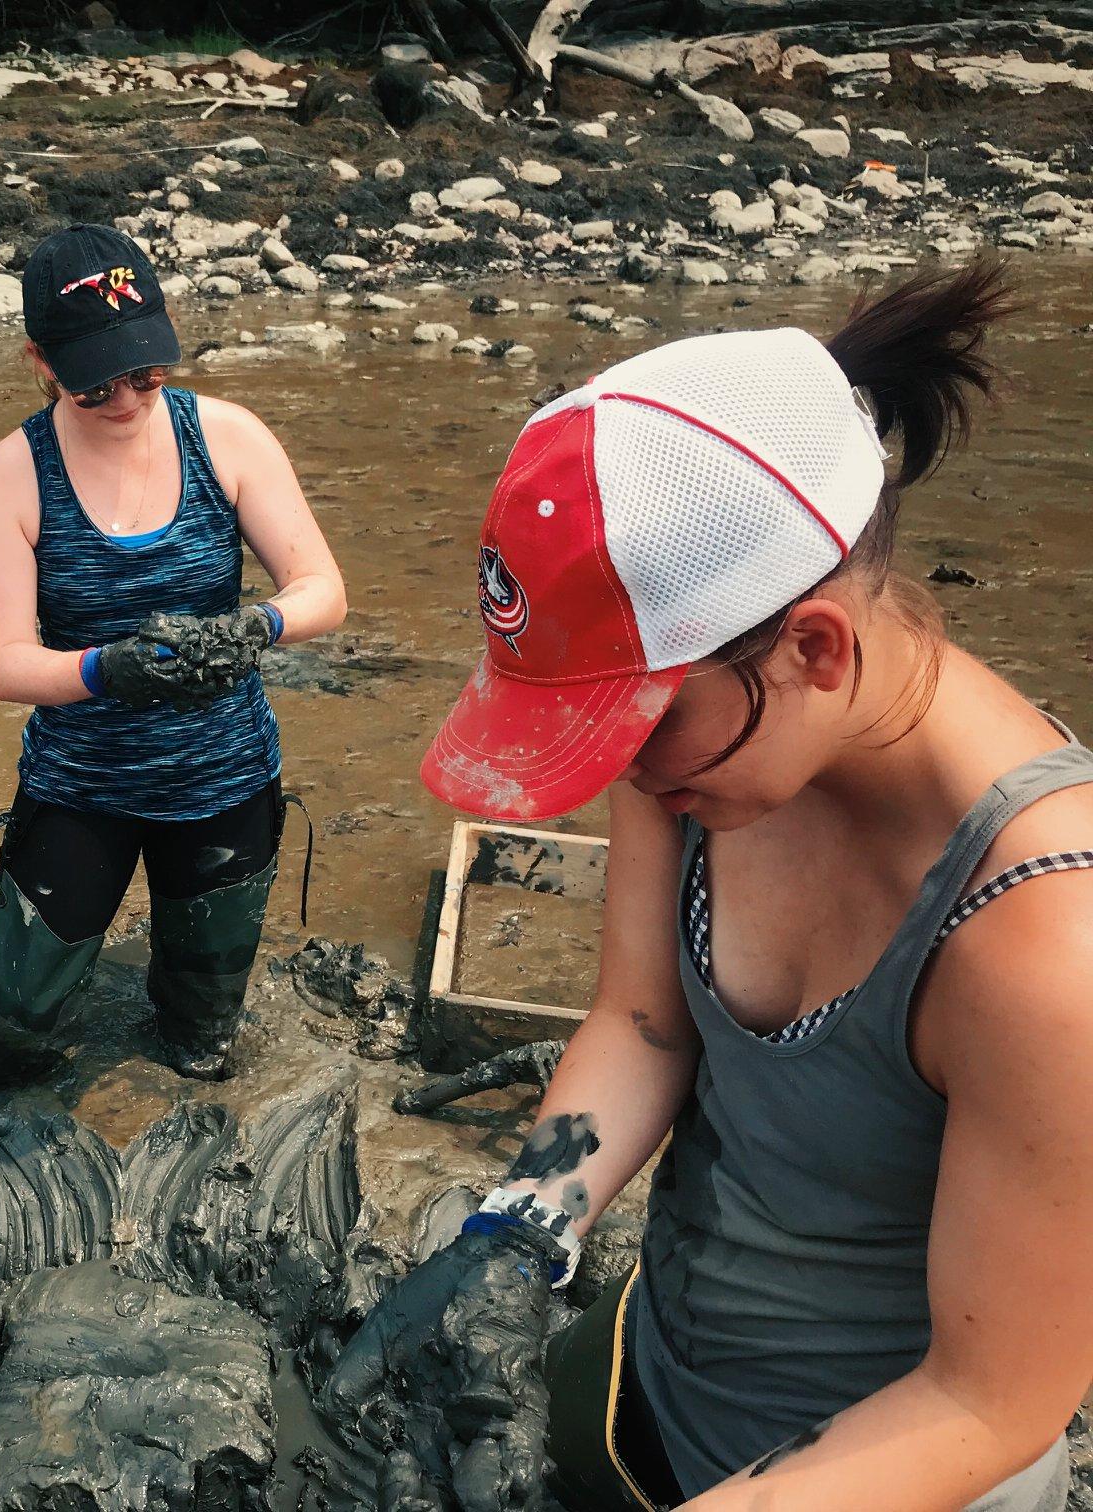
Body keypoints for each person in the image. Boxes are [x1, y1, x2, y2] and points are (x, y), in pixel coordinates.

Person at [329, 264, 1089, 1511]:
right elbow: (642, 1022)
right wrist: (517, 1232)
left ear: (814, 647)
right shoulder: (709, 745)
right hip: (664, 1383)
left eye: (632, 730)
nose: (610, 775)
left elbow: (989, 1402)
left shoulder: (1045, 944)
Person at [0, 222, 346, 1082]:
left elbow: (322, 588)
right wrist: (105, 669)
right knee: (13, 1031)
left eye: (146, 371)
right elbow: (6, 664)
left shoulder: (229, 438)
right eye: (98, 384)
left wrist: (253, 628)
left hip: (224, 777)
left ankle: (185, 1022)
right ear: (41, 362)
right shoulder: (10, 477)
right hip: (81, 783)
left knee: (203, 1039)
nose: (128, 400)